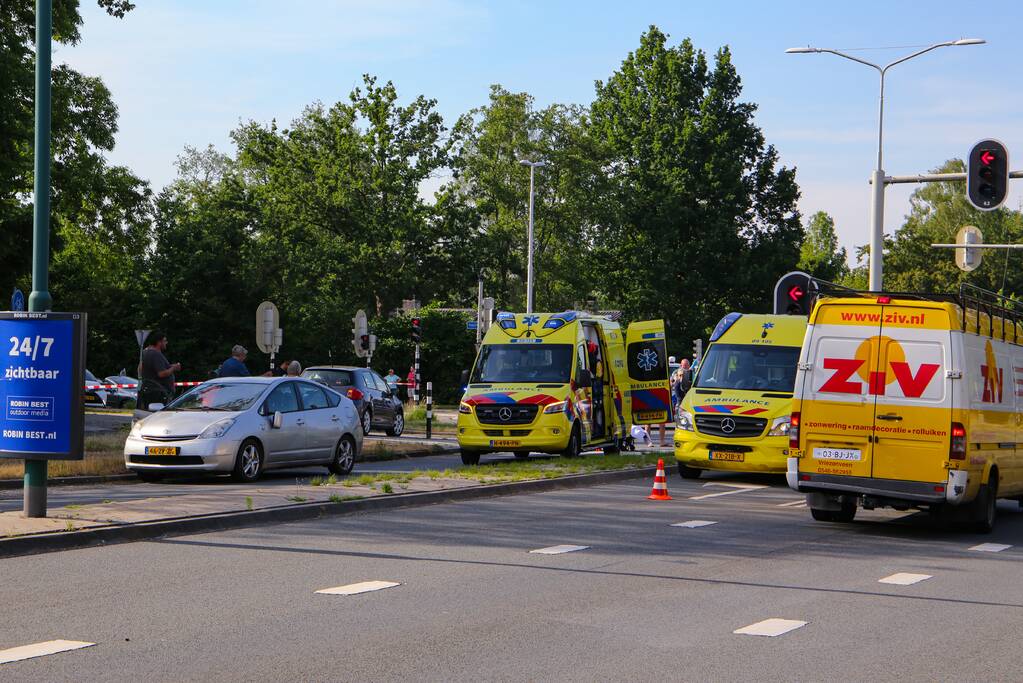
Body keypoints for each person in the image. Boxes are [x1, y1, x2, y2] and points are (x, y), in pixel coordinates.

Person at [139, 331, 180, 409]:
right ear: (159, 342)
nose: (166, 343)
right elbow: (161, 373)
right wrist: (174, 368)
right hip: (159, 392)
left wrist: (170, 366)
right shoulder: (155, 354)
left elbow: (144, 369)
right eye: (165, 341)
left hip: (150, 390)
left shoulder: (145, 352)